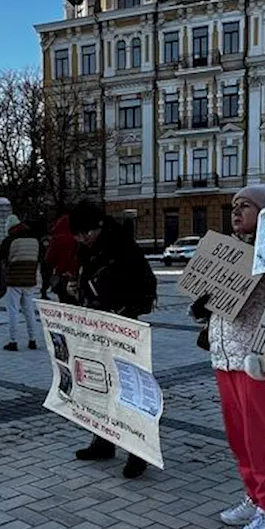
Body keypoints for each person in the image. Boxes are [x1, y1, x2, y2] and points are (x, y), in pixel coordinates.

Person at [190, 185, 265, 529]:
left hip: (257, 361)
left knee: (260, 438)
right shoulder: (231, 250)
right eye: (234, 206)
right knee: (238, 436)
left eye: (246, 206)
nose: (236, 212)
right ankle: (254, 496)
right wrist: (201, 305)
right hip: (225, 357)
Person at [68, 201, 159, 479]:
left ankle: (139, 451)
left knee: (131, 390)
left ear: (97, 227)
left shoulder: (122, 246)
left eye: (85, 234)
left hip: (122, 327)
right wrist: (74, 288)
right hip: (97, 326)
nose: (81, 240)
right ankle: (104, 440)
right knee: (99, 385)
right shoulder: (90, 248)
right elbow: (89, 281)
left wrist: (121, 308)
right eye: (78, 236)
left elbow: (146, 287)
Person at [1, 214, 41, 351]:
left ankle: (13, 341)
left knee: (13, 310)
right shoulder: (34, 240)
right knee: (29, 310)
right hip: (30, 279)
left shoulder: (10, 240)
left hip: (14, 280)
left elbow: (3, 257)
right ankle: (33, 339)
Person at [44, 213, 79, 304]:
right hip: (75, 273)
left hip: (62, 273)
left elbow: (49, 259)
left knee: (64, 300)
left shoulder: (57, 239)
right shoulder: (77, 237)